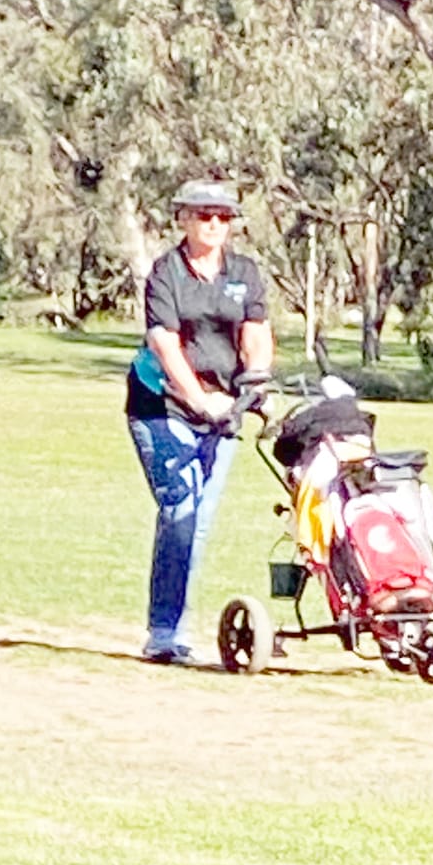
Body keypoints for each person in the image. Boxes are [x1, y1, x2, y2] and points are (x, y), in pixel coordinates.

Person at [123, 179, 272, 664]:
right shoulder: (166, 273)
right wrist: (199, 400)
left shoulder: (243, 273)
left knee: (200, 520)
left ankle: (176, 628)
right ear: (183, 218)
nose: (214, 224)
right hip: (162, 405)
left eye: (223, 217)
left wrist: (256, 382)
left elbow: (256, 334)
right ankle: (164, 633)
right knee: (181, 508)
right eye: (204, 215)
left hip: (225, 407)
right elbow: (165, 346)